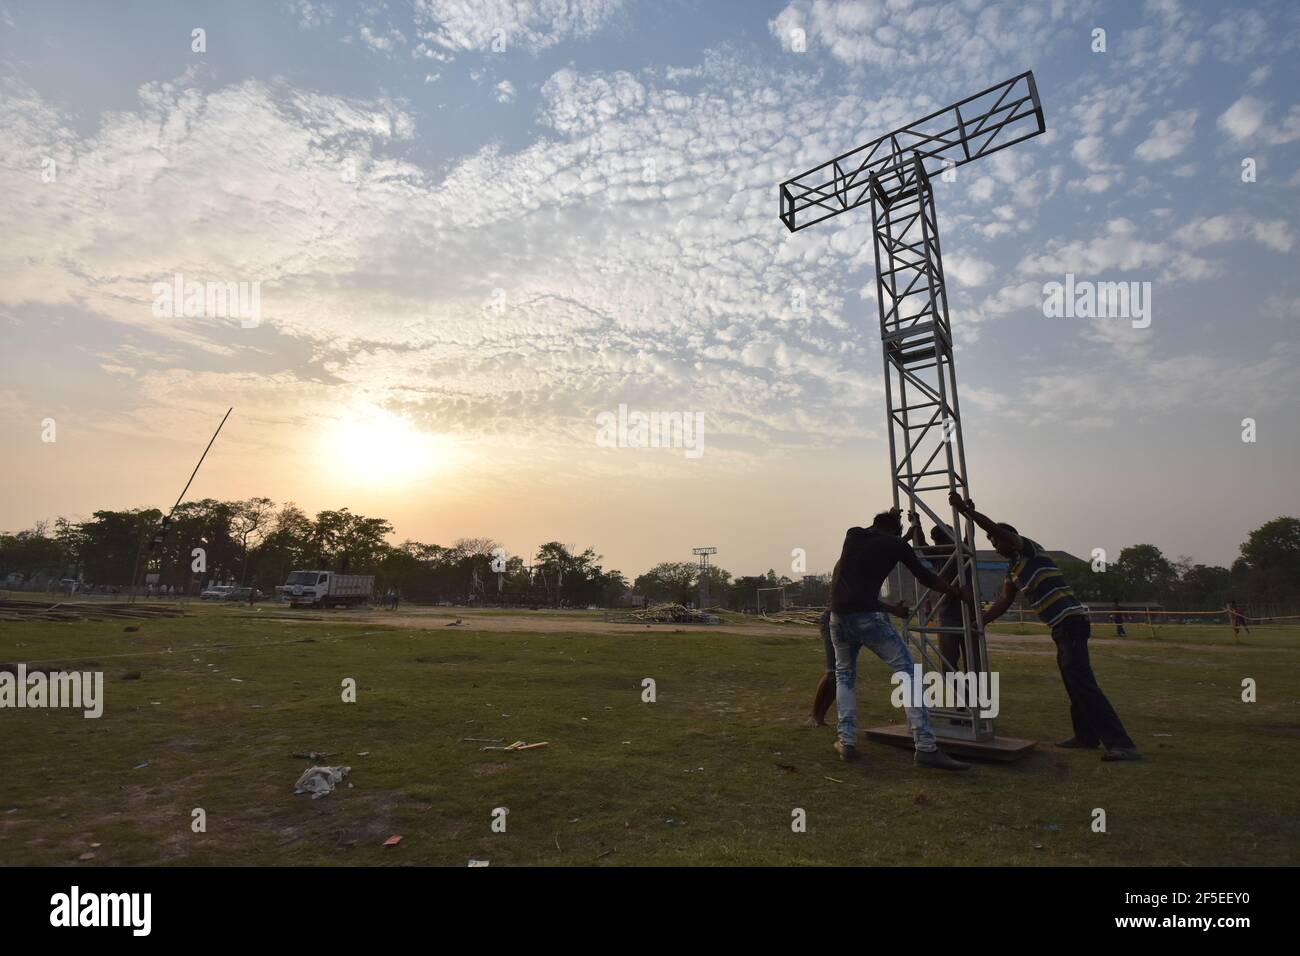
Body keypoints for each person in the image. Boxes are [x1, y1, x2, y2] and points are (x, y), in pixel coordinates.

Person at [949, 491, 1140, 762]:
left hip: (1071, 621)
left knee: (1082, 682)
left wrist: (968, 513)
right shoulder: (1013, 569)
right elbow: (1004, 600)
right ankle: (1086, 736)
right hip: (1060, 627)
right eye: (991, 541)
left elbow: (995, 530)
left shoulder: (1028, 547)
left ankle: (1122, 744)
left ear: (1009, 538)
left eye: (995, 540)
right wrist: (981, 620)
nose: (994, 544)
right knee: (1073, 681)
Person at [828, 507, 974, 770]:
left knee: (845, 676)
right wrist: (956, 592)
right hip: (866, 618)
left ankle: (846, 741)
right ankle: (926, 746)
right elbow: (925, 576)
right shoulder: (895, 544)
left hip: (837, 618)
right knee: (908, 674)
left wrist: (899, 530)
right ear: (894, 532)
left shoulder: (854, 535)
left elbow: (877, 546)